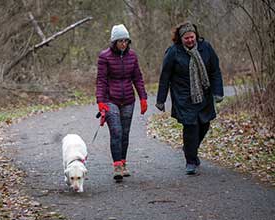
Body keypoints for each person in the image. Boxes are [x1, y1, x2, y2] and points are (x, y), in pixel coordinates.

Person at [156, 21, 224, 175]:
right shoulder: (173, 52)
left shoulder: (206, 48)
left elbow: (215, 71)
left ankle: (190, 149)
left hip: (204, 95)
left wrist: (218, 91)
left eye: (192, 37)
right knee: (191, 127)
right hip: (183, 96)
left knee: (205, 124)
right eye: (186, 38)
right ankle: (191, 161)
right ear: (180, 39)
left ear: (196, 36)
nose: (190, 40)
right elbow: (165, 76)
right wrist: (161, 99)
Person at [96, 24, 148, 182]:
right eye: (120, 41)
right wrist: (101, 101)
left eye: (126, 41)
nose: (123, 44)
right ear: (114, 42)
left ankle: (123, 163)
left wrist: (143, 97)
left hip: (128, 100)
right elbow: (101, 81)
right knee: (116, 132)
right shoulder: (104, 57)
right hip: (111, 100)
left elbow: (137, 78)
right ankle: (117, 166)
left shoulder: (132, 56)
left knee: (125, 133)